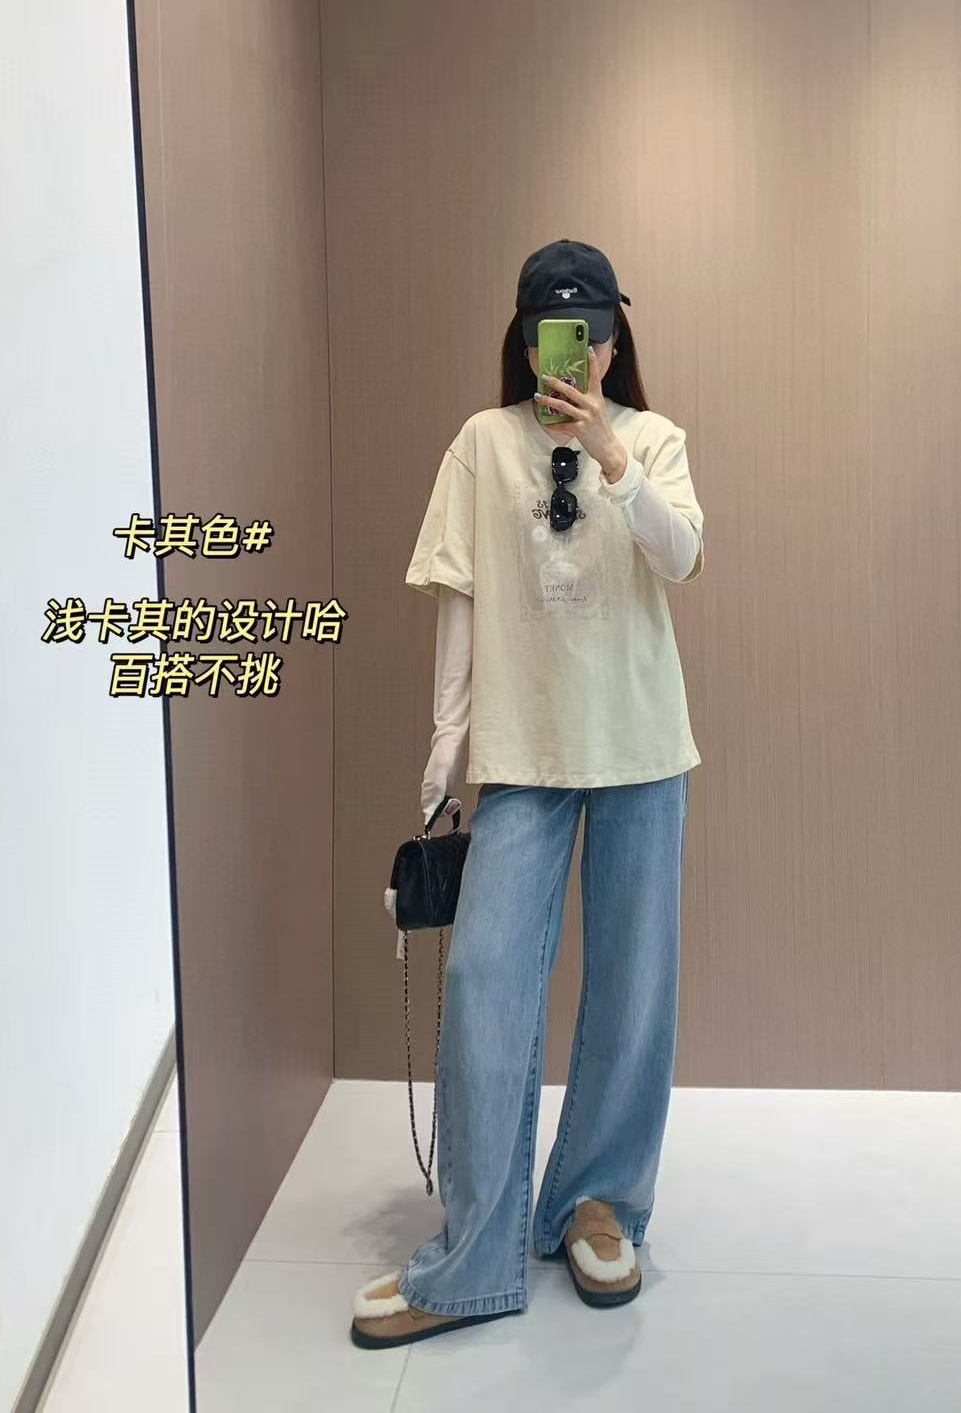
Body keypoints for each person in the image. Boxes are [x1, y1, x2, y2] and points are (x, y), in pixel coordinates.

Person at [351, 238, 705, 1350]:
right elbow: (456, 594)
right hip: (523, 753)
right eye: (558, 331)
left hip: (640, 746)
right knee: (485, 982)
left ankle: (598, 1203)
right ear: (524, 337)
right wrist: (445, 746)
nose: (578, 350)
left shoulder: (651, 437)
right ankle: (471, 1257)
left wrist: (609, 453)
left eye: (593, 331)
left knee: (634, 991)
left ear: (614, 337)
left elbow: (681, 557)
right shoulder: (481, 444)